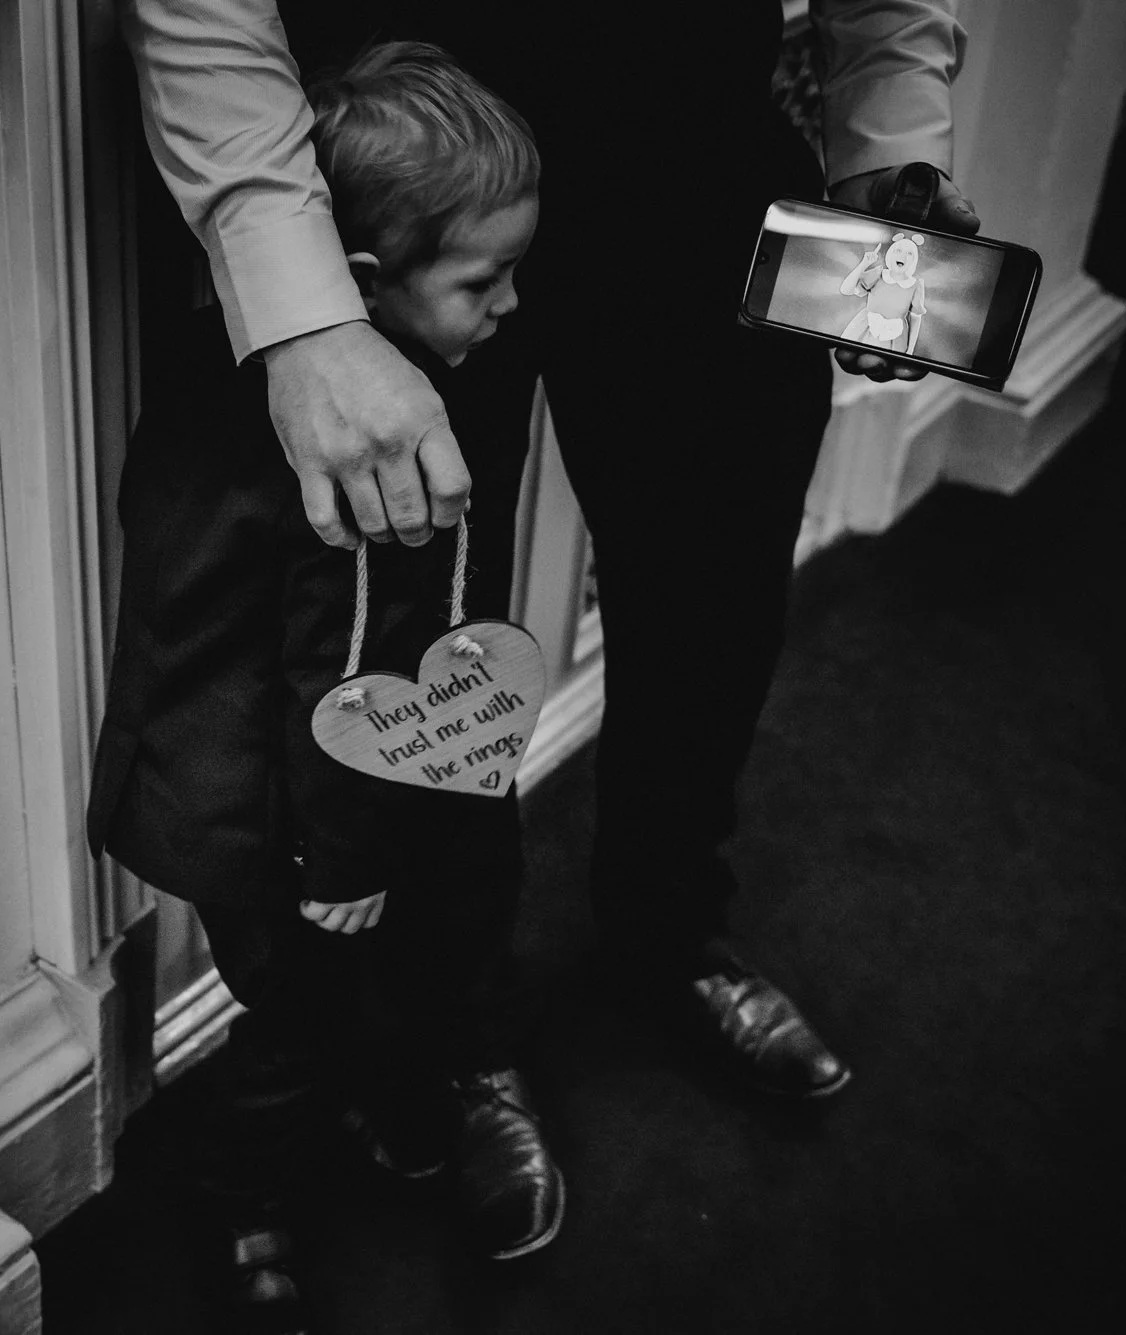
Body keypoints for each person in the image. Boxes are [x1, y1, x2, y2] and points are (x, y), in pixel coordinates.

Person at [120, 0, 983, 1105]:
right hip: (414, 155)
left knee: (714, 589)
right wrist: (304, 313)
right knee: (417, 638)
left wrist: (888, 149)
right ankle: (459, 1029)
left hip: (698, 132)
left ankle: (667, 932)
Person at [89, 43, 561, 1332]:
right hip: (294, 826)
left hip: (230, 779)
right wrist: (344, 862)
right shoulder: (373, 458)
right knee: (300, 1030)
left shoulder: (220, 373)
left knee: (328, 1004)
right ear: (364, 286)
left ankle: (373, 1104)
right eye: (484, 280)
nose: (512, 307)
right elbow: (342, 677)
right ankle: (236, 1198)